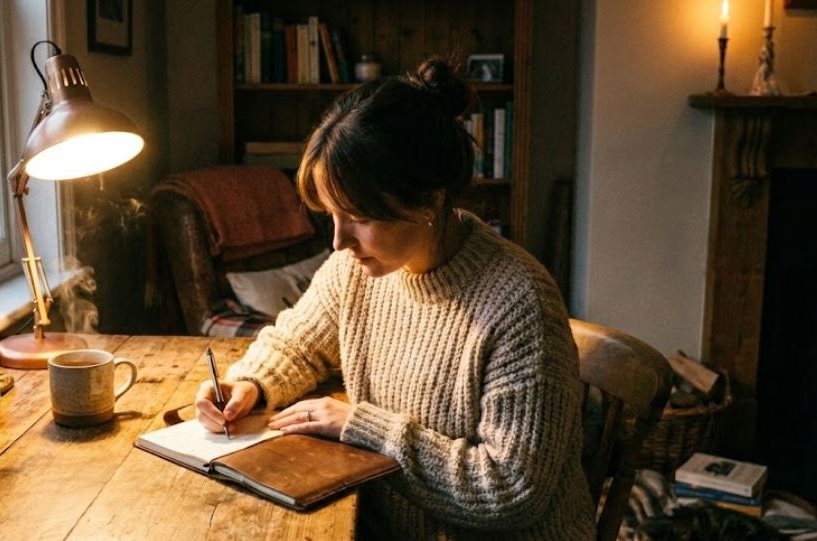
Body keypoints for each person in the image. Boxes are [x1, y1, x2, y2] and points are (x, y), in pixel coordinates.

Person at [195, 57, 594, 539]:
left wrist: (363, 427)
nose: (339, 241)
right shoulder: (357, 269)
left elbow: (508, 490)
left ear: (430, 201)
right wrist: (251, 383)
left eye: (359, 216)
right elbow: (297, 342)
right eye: (332, 215)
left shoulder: (519, 303)